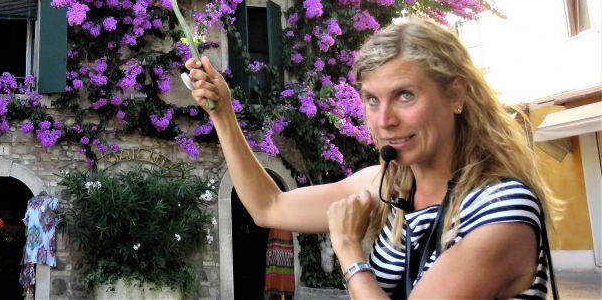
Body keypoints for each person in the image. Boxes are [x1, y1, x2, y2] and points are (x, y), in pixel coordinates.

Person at [185, 18, 554, 299]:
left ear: (456, 94)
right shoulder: (390, 187)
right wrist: (224, 114)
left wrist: (348, 249)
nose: (384, 120)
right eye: (372, 100)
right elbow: (269, 206)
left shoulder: (501, 207)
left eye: (405, 95)